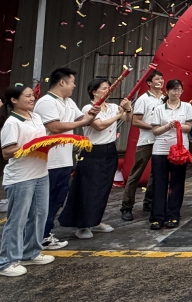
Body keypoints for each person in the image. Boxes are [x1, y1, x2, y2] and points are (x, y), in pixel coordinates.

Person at [33, 67, 99, 251]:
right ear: (62, 82)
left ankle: (45, 234)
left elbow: (83, 118)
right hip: (48, 161)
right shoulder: (47, 102)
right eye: (72, 82)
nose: (74, 86)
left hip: (64, 160)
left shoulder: (68, 102)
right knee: (44, 201)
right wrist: (83, 122)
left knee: (57, 199)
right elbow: (54, 127)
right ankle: (37, 237)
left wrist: (93, 113)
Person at [59, 79, 132, 239]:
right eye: (104, 88)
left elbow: (127, 119)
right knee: (88, 189)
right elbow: (99, 126)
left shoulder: (112, 107)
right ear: (94, 91)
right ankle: (82, 225)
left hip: (110, 150)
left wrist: (127, 109)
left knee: (103, 189)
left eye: (109, 88)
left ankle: (95, 221)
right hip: (92, 151)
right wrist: (119, 114)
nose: (108, 91)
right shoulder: (89, 108)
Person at [0, 86, 55, 277]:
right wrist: (30, 147)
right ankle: (6, 261)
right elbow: (7, 152)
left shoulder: (36, 117)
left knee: (39, 215)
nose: (32, 98)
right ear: (14, 100)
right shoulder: (12, 123)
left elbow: (42, 139)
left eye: (33, 95)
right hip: (21, 177)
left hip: (40, 173)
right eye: (28, 96)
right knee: (17, 219)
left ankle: (31, 252)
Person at [148, 80, 192, 230]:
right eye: (173, 90)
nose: (176, 93)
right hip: (161, 149)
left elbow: (189, 127)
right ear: (167, 91)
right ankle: (157, 216)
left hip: (179, 151)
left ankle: (173, 215)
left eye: (179, 90)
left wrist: (179, 126)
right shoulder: (159, 109)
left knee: (177, 183)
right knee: (159, 183)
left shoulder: (187, 107)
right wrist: (168, 126)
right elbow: (155, 131)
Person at [121, 70, 164, 221]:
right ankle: (126, 207)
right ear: (149, 83)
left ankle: (149, 203)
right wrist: (154, 127)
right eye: (157, 79)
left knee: (156, 174)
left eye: (162, 79)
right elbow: (136, 121)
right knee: (136, 173)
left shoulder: (165, 98)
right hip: (146, 141)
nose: (160, 81)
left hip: (161, 141)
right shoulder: (143, 99)